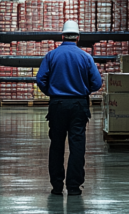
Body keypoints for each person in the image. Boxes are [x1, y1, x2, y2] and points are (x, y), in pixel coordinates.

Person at [36, 20, 103, 196]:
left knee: (56, 145)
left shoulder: (51, 56)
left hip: (57, 104)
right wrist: (83, 89)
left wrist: (51, 91)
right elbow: (97, 83)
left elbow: (40, 79)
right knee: (77, 145)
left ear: (62, 36)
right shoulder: (86, 57)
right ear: (78, 37)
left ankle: (57, 186)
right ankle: (73, 186)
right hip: (78, 105)